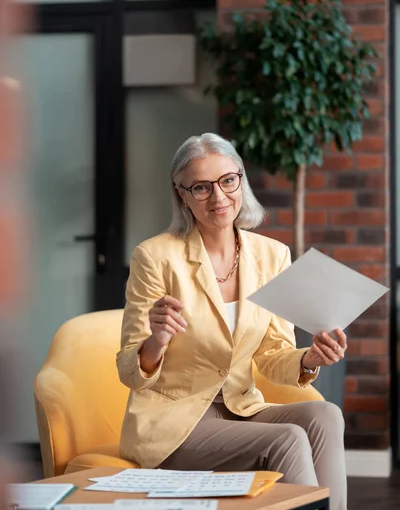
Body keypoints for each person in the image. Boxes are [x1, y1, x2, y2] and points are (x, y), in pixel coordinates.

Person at [117, 133, 347, 510]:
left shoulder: (272, 255)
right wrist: (156, 340)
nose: (219, 197)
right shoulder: (155, 256)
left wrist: (309, 360)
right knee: (286, 439)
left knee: (325, 414)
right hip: (175, 422)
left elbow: (274, 354)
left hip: (241, 409)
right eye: (202, 188)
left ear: (240, 179)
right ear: (183, 195)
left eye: (227, 181)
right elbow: (129, 371)